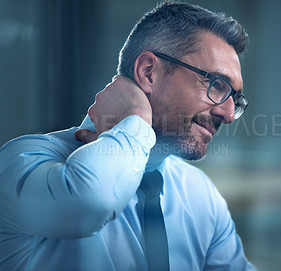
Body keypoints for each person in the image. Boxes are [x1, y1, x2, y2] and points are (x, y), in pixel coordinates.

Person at [0, 2, 254, 270]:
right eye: (216, 85)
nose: (227, 114)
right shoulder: (22, 163)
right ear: (148, 72)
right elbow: (90, 202)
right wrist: (136, 117)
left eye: (235, 99)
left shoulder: (201, 195)